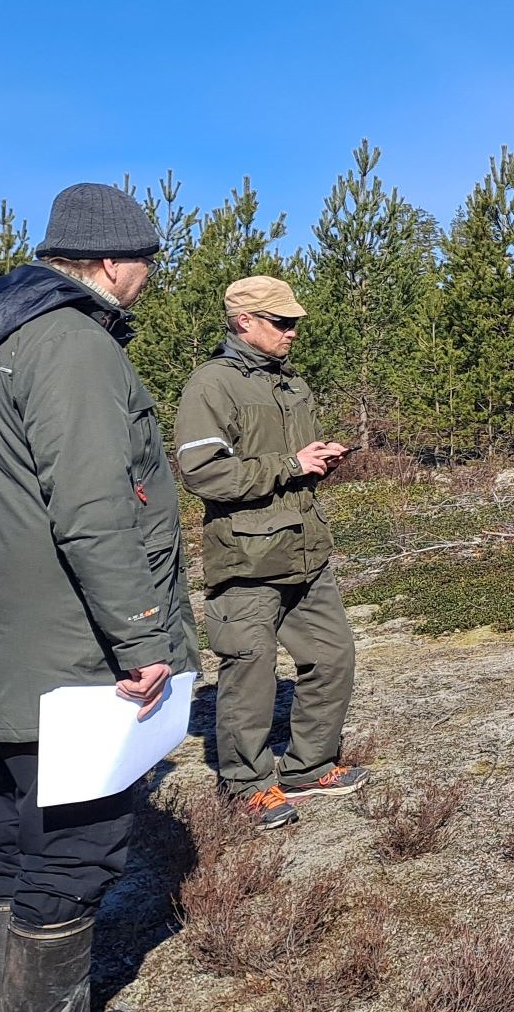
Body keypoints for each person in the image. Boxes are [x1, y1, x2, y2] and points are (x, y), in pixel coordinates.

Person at [0, 182, 200, 1012]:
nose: (150, 277)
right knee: (75, 855)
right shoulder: (77, 347)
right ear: (113, 263)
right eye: (148, 262)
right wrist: (141, 638)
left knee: (16, 842)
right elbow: (92, 508)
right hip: (70, 648)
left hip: (5, 640)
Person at [174, 275, 367, 829]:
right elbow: (204, 472)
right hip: (246, 560)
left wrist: (317, 460)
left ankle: (310, 767)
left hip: (308, 552)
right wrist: (289, 465)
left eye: (294, 322)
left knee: (332, 657)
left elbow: (291, 463)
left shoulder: (292, 385)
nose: (292, 332)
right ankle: (247, 785)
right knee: (250, 673)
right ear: (243, 322)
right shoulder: (211, 385)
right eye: (281, 322)